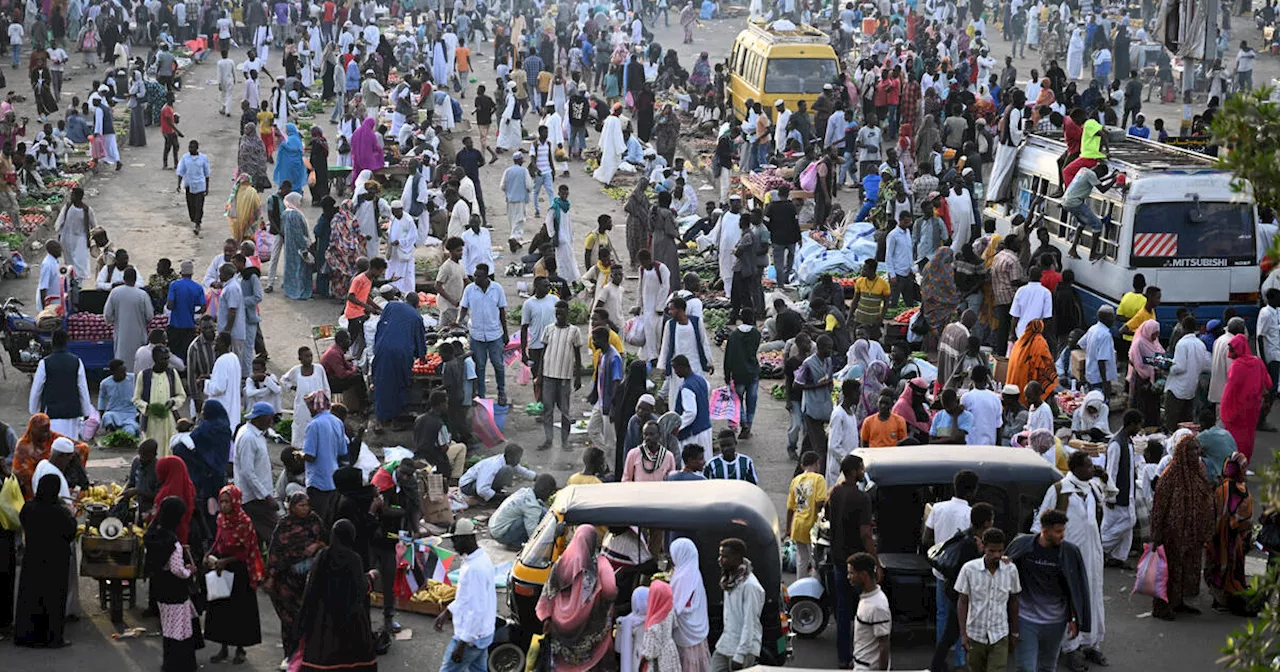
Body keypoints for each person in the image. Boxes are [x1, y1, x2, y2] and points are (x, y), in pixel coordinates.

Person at [296, 520, 379, 671]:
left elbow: (311, 588)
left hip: (324, 621)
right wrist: (371, 577)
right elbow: (360, 589)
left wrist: (303, 621)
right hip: (351, 620)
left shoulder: (323, 556)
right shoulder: (353, 559)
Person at [1150, 435, 1217, 620]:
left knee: (1186, 568)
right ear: (1182, 452)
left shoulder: (1199, 470)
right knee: (1169, 570)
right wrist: (1156, 534)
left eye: (1197, 449)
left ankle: (1178, 602)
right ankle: (1161, 607)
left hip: (1193, 531)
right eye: (1192, 450)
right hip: (1173, 531)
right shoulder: (1171, 474)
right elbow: (1159, 506)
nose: (1196, 453)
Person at [535, 525, 618, 671]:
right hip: (591, 627)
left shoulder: (561, 563)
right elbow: (610, 592)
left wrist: (547, 618)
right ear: (594, 541)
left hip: (560, 628)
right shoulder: (601, 564)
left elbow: (548, 593)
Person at [12, 474, 77, 648]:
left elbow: (23, 522)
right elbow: (70, 532)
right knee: (54, 599)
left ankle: (27, 636)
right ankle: (52, 638)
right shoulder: (60, 512)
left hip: (33, 559)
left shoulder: (29, 507)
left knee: (31, 597)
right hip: (55, 562)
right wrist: (72, 515)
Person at [203, 484, 264, 664]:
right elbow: (218, 539)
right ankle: (223, 648)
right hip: (222, 567)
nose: (224, 505)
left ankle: (240, 649)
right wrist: (209, 554)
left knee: (239, 611)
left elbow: (246, 551)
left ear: (235, 502)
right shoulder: (222, 519)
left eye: (227, 502)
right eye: (221, 501)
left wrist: (226, 561)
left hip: (240, 570)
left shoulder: (244, 522)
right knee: (221, 608)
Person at [263, 491, 324, 666]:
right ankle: (290, 654)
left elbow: (326, 541)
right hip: (287, 580)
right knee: (289, 619)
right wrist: (271, 577)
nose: (305, 509)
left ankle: (308, 655)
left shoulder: (314, 521)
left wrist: (316, 546)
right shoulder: (284, 525)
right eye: (301, 505)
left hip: (309, 578)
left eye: (307, 505)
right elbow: (275, 553)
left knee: (310, 616)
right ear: (291, 507)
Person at [827, 453, 876, 667]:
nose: (863, 472)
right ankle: (864, 655)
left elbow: (829, 519)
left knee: (843, 611)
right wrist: (875, 561)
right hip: (859, 562)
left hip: (839, 561)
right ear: (854, 471)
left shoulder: (835, 493)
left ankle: (843, 658)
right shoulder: (862, 498)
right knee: (867, 609)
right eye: (862, 468)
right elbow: (866, 533)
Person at [954, 528, 1021, 672]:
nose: (996, 555)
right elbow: (962, 602)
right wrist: (963, 634)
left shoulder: (1011, 570)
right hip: (975, 635)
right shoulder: (969, 569)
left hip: (1000, 635)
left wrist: (1015, 632)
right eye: (992, 551)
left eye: (1000, 551)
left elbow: (1014, 601)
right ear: (983, 547)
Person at [144, 496, 198, 671]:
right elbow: (177, 570)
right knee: (180, 629)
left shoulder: (153, 535)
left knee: (168, 628)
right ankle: (178, 665)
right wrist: (189, 570)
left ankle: (169, 663)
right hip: (175, 591)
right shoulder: (172, 542)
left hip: (160, 590)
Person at [434, 518, 496, 671]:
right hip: (482, 634)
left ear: (468, 538)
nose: (453, 546)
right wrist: (448, 611)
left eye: (455, 540)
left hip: (471, 638)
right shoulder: (479, 558)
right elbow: (466, 597)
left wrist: (462, 644)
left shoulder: (475, 568)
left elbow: (476, 609)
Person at [1206, 453, 1253, 613]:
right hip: (1235, 539)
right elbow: (1244, 516)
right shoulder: (1241, 490)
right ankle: (1229, 598)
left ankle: (1218, 599)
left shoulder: (1220, 489)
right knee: (1233, 567)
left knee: (1217, 565)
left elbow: (1214, 511)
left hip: (1217, 536)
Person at [372, 293, 427, 429]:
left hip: (382, 348)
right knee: (398, 384)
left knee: (381, 382)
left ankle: (381, 418)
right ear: (416, 305)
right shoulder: (416, 316)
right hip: (401, 354)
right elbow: (420, 343)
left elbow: (381, 326)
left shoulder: (391, 306)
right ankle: (394, 419)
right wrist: (422, 356)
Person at [459, 263, 510, 404]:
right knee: (479, 367)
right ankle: (481, 396)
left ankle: (501, 392)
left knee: (498, 365)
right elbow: (463, 308)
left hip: (495, 334)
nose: (476, 278)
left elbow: (502, 312)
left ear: (486, 276)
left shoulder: (497, 289)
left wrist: (505, 334)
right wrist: (458, 321)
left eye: (479, 276)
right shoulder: (470, 290)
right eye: (475, 275)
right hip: (476, 335)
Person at [713, 537, 765, 671]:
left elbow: (750, 623)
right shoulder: (729, 580)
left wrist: (740, 656)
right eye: (720, 555)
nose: (720, 560)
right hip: (726, 644)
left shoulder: (750, 586)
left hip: (743, 649)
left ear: (737, 558)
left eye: (725, 557)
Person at [539, 300, 584, 452]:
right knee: (548, 409)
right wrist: (539, 376)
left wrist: (577, 376)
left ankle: (565, 441)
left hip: (565, 377)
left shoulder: (575, 331)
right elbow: (543, 354)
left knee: (565, 411)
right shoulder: (548, 329)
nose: (559, 315)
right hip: (548, 375)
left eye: (562, 313)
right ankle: (548, 440)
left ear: (567, 313)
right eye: (557, 313)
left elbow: (578, 357)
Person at [1221, 333, 1272, 462]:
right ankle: (1244, 464)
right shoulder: (1257, 362)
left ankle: (1234, 468)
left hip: (1236, 410)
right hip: (1252, 409)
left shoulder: (1236, 366)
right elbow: (1269, 383)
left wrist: (1224, 410)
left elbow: (1229, 391)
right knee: (1248, 437)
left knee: (1234, 440)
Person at [234, 402, 279, 544]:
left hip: (259, 495)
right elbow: (247, 472)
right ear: (259, 418)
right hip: (255, 498)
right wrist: (266, 496)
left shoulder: (255, 433)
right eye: (269, 418)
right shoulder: (248, 437)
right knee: (276, 535)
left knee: (256, 537)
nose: (271, 422)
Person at [667, 537, 712, 669]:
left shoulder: (682, 577)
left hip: (685, 634)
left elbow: (680, 607)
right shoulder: (694, 572)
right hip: (697, 632)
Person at [104, 268, 157, 372]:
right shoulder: (142, 295)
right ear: (135, 279)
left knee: (122, 366)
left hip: (121, 338)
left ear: (124, 278)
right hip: (139, 337)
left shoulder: (115, 292)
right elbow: (150, 316)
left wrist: (115, 320)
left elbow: (107, 315)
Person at [787, 451, 829, 577]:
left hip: (797, 525)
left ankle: (800, 587)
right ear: (817, 463)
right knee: (815, 561)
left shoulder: (796, 480)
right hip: (812, 526)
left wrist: (788, 529)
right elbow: (820, 502)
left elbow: (790, 508)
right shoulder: (819, 479)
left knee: (801, 560)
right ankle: (814, 588)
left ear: (801, 466)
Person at [489, 473, 557, 550]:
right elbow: (532, 532)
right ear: (545, 491)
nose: (549, 496)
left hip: (494, 527)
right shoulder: (531, 506)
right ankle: (517, 544)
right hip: (501, 535)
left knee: (541, 511)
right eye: (550, 493)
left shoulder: (525, 491)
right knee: (528, 522)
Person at [724, 308, 762, 438]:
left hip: (738, 373)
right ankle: (748, 426)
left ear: (740, 318)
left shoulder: (734, 336)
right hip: (753, 372)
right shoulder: (756, 334)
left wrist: (727, 374)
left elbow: (728, 356)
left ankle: (743, 423)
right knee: (751, 401)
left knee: (737, 401)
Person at [459, 444, 537, 502]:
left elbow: (523, 471)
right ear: (510, 457)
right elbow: (482, 489)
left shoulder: (509, 461)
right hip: (467, 486)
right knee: (507, 470)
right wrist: (502, 497)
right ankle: (490, 498)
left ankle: (494, 494)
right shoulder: (493, 465)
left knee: (508, 469)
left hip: (478, 484)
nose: (519, 461)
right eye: (518, 458)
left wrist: (538, 477)